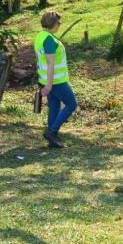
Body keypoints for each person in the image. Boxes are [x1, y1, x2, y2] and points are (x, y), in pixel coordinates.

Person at [34, 11, 76, 148]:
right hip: (56, 82)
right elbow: (50, 63)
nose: (60, 25)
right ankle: (52, 132)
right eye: (59, 23)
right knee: (71, 104)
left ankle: (52, 137)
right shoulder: (49, 40)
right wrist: (49, 85)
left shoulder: (40, 36)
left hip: (45, 79)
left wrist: (46, 84)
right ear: (53, 23)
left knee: (55, 106)